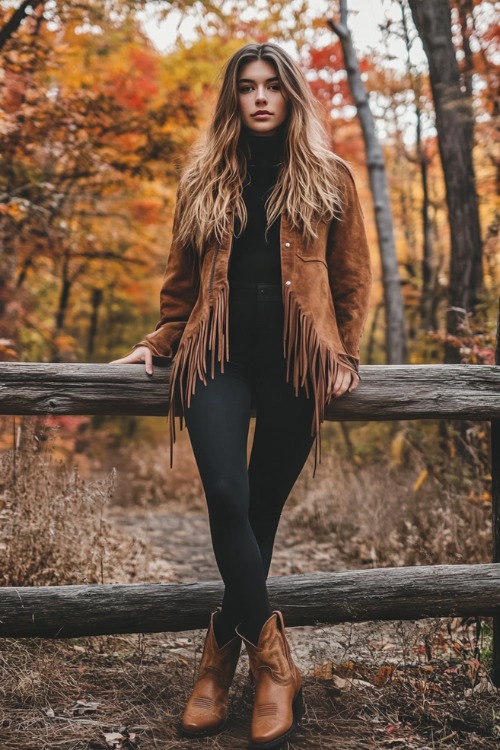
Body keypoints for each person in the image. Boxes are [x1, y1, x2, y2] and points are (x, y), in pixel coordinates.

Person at [110, 41, 372, 749]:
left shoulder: (331, 176)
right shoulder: (203, 179)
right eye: (247, 87)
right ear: (234, 98)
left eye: (272, 86)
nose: (260, 97)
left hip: (298, 360)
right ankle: (276, 667)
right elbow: (180, 287)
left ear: (290, 96)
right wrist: (159, 342)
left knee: (260, 511)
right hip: (215, 355)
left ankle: (217, 662)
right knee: (227, 497)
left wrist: (344, 354)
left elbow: (351, 280)